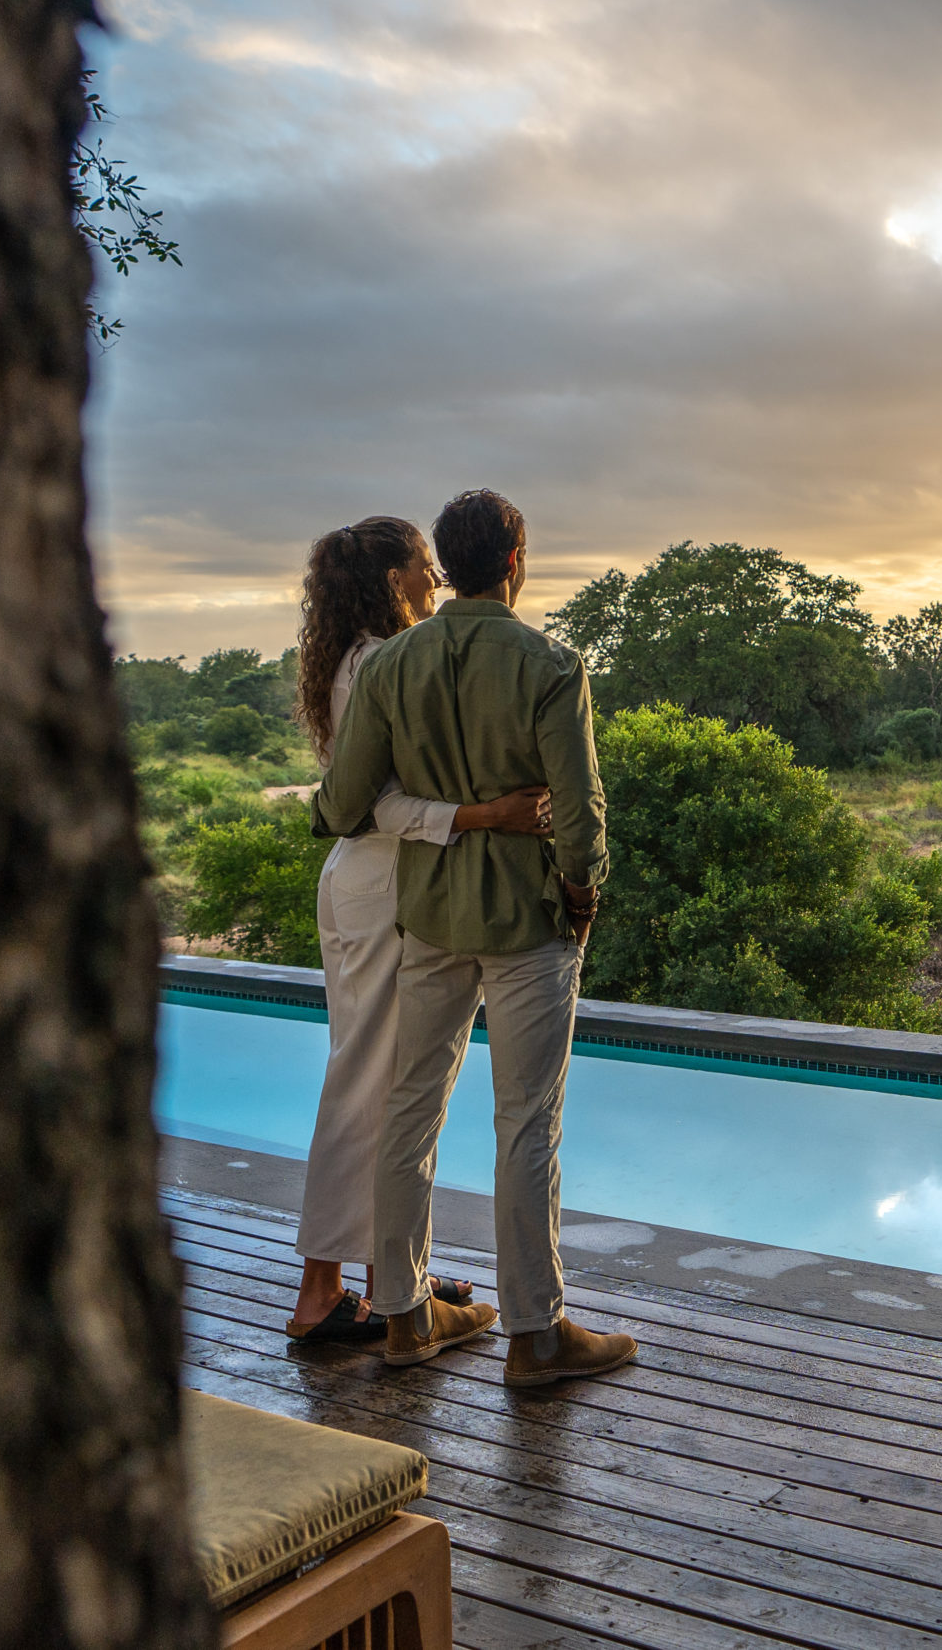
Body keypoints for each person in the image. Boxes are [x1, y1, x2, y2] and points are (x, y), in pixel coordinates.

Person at [314, 489, 636, 1385]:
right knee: (526, 1124)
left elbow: (340, 804)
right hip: (528, 923)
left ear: (448, 567)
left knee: (409, 1114)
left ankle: (405, 1317)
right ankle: (535, 1333)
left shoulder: (391, 665)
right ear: (516, 557)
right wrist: (582, 893)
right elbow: (579, 808)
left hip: (429, 919)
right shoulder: (549, 663)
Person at [285, 516, 555, 1342]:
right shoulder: (376, 663)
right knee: (370, 1084)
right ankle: (321, 1291)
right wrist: (489, 815)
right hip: (380, 882)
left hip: (371, 883)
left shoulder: (364, 656)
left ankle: (390, 1276)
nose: (434, 580)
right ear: (391, 579)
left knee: (391, 1085)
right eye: (421, 568)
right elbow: (377, 806)